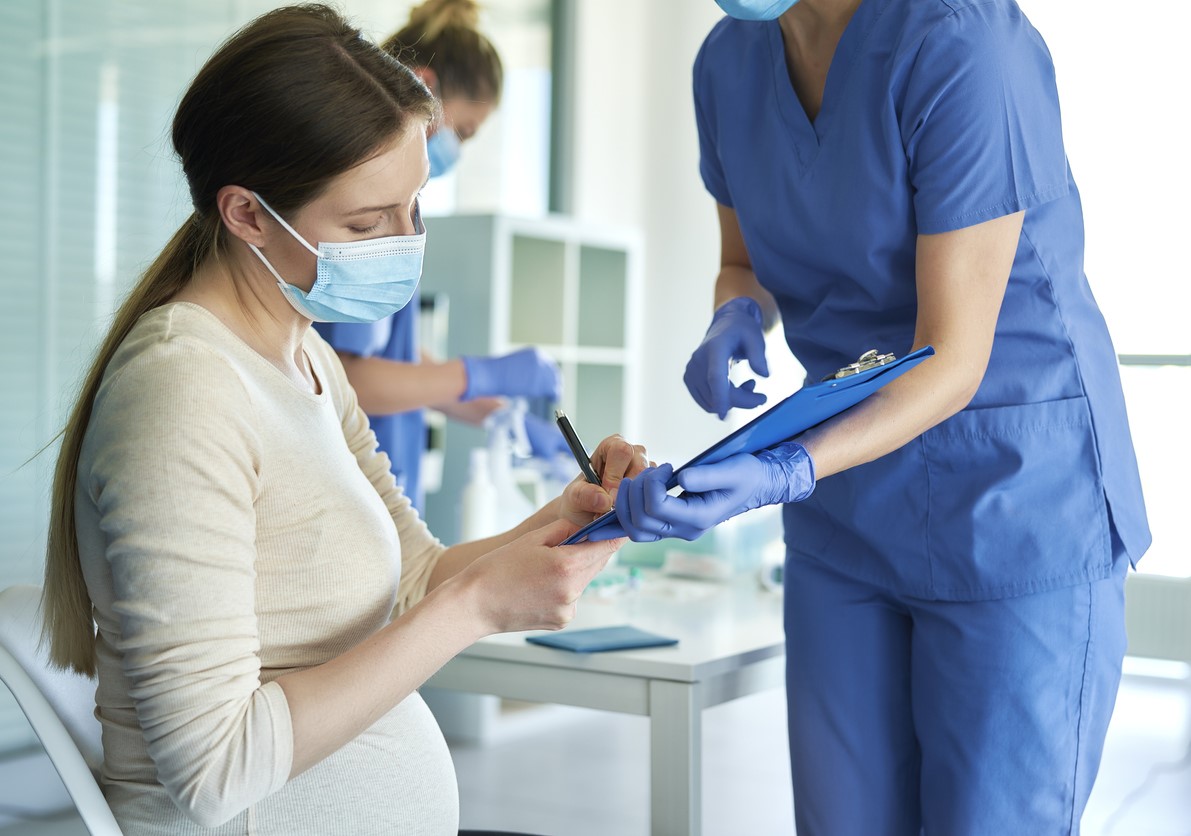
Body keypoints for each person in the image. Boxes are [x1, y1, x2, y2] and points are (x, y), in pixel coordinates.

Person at [39, 6, 644, 834]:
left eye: (412, 208)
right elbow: (213, 773)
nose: (403, 243)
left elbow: (411, 576)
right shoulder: (182, 392)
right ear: (248, 215)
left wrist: (565, 521)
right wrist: (474, 609)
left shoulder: (307, 356)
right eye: (366, 225)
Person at [606, 0, 1151, 833]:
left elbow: (950, 358)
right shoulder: (726, 63)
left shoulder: (962, 43)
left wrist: (782, 468)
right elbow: (739, 259)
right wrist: (735, 313)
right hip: (848, 506)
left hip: (1015, 498)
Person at [314, 0, 567, 515]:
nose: (459, 150)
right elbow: (343, 376)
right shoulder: (360, 206)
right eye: (465, 131)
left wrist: (499, 415)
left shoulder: (394, 206)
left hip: (384, 490)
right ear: (423, 87)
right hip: (345, 491)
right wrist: (477, 373)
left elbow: (392, 360)